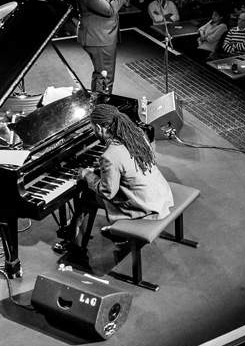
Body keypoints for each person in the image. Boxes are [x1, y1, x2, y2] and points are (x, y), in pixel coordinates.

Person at [53, 105, 173, 261]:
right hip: (158, 193)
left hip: (144, 206)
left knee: (88, 196)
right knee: (94, 183)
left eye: (93, 129)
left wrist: (86, 174)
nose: (94, 132)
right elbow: (127, 166)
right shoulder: (137, 135)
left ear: (99, 127)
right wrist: (101, 170)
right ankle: (91, 235)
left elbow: (107, 191)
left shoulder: (109, 156)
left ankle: (76, 248)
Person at [76, 0, 126, 94]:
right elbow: (110, 10)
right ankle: (102, 108)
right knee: (105, 76)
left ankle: (98, 104)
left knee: (102, 74)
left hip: (99, 37)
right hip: (99, 39)